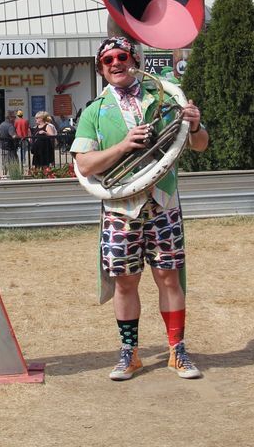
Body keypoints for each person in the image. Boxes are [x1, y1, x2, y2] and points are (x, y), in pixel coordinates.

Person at [71, 36, 209, 381]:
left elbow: (201, 145)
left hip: (163, 202)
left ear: (135, 60)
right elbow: (85, 165)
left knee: (168, 277)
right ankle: (129, 353)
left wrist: (193, 123)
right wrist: (124, 145)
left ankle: (177, 351)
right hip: (122, 208)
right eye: (107, 61)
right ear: (101, 69)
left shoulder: (164, 95)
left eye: (122, 57)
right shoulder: (93, 111)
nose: (116, 63)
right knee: (125, 283)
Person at [0, 111, 17, 176]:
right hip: (9, 148)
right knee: (12, 164)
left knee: (4, 164)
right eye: (14, 117)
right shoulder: (10, 126)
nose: (15, 119)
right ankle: (11, 177)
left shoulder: (1, 124)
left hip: (2, 147)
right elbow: (13, 136)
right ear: (10, 117)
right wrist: (18, 137)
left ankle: (3, 176)